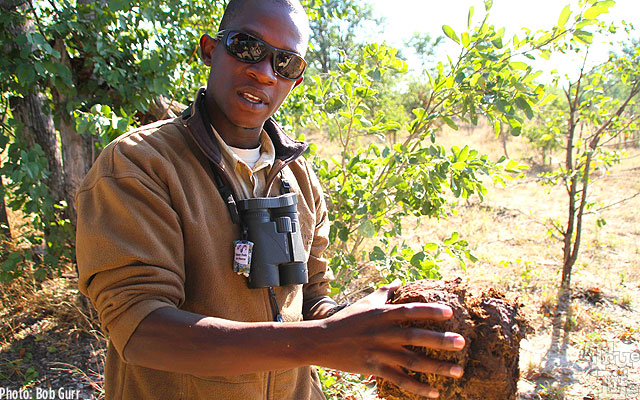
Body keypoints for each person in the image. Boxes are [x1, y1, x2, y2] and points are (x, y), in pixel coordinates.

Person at [75, 0, 466, 399]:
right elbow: (142, 331)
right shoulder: (139, 165)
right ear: (210, 50)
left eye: (286, 63)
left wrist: (353, 325)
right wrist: (324, 341)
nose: (263, 72)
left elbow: (311, 295)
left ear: (296, 81)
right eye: (247, 47)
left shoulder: (299, 178)